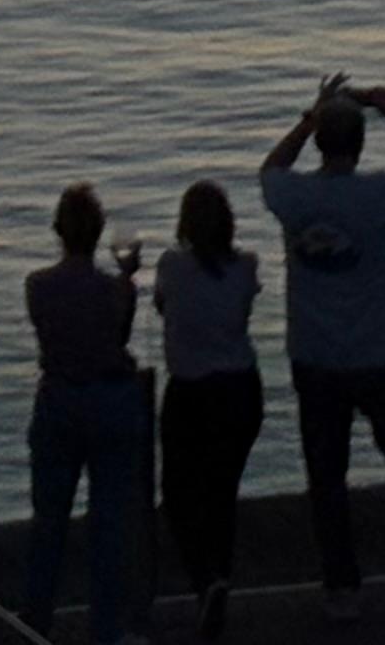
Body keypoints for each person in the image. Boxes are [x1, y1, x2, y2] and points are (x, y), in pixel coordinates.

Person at [260, 74, 385, 619]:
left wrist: (311, 115)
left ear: (322, 142)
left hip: (315, 356)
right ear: (361, 144)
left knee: (327, 478)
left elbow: (270, 168)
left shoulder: (292, 196)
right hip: (380, 354)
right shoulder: (377, 195)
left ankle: (342, 589)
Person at [22, 183, 149, 645]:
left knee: (48, 519)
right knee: (110, 521)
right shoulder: (116, 290)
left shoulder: (37, 286)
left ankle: (34, 622)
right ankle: (107, 630)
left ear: (58, 231)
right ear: (97, 233)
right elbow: (116, 337)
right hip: (111, 401)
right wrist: (128, 277)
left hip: (59, 399)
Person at [155, 180, 266, 638]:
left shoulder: (170, 266)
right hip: (240, 388)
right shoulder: (246, 267)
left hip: (191, 392)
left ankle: (206, 580)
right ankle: (216, 578)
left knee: (180, 494)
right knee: (222, 492)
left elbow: (164, 308)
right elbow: (239, 314)